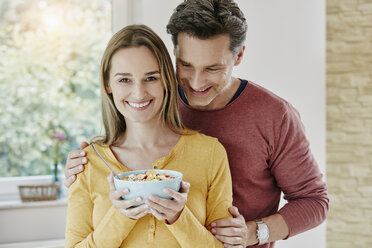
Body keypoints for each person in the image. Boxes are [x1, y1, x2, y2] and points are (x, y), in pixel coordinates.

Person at [65, 0, 329, 247]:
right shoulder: (152, 101)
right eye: (186, 65)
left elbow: (315, 201)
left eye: (213, 68)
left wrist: (252, 232)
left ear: (238, 57)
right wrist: (86, 165)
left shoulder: (274, 116)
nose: (196, 82)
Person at [65, 24, 234, 248]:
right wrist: (121, 216)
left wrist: (179, 218)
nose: (138, 93)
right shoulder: (87, 162)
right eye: (124, 80)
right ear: (108, 85)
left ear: (166, 81)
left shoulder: (210, 153)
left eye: (151, 78)